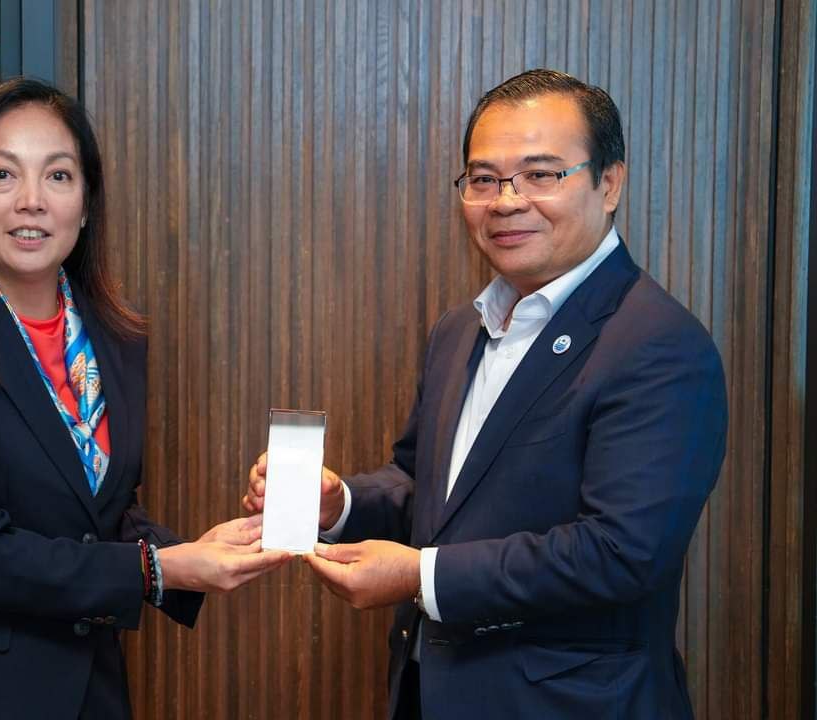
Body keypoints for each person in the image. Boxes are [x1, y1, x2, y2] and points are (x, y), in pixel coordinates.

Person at [244, 69, 727, 719]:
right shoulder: (459, 330)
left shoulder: (658, 344)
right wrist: (341, 504)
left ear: (609, 183)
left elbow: (621, 553)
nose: (506, 201)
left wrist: (421, 575)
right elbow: (427, 489)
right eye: (484, 179)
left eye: (541, 174)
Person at [0, 78, 289, 720]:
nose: (32, 201)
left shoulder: (111, 337)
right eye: (2, 175)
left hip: (85, 687)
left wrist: (193, 549)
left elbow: (93, 510)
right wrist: (159, 570)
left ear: (85, 202)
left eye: (58, 176)